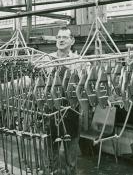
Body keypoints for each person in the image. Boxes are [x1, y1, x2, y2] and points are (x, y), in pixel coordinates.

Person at [48, 26, 84, 175]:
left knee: (71, 159)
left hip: (71, 112)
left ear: (72, 41)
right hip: (51, 112)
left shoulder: (79, 61)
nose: (61, 40)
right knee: (51, 157)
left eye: (64, 37)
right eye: (58, 37)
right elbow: (33, 81)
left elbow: (88, 83)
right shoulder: (46, 59)